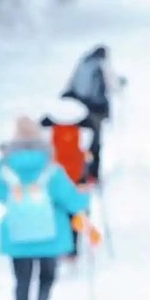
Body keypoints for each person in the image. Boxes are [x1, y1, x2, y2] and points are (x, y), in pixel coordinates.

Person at [0, 117, 89, 300]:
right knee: (47, 275)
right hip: (50, 233)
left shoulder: (5, 165)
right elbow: (70, 198)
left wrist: (19, 200)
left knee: (22, 280)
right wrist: (84, 198)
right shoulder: (50, 166)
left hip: (17, 232)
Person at [60, 45, 125, 183]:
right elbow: (113, 85)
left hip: (78, 107)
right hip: (95, 108)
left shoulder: (83, 62)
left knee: (76, 141)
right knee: (95, 142)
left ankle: (75, 172)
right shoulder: (102, 65)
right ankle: (92, 174)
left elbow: (71, 82)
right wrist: (121, 83)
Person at [40, 100, 90, 258]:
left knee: (55, 213)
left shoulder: (48, 132)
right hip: (76, 180)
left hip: (54, 181)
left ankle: (55, 244)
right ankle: (73, 248)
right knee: (75, 213)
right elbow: (87, 155)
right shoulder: (84, 132)